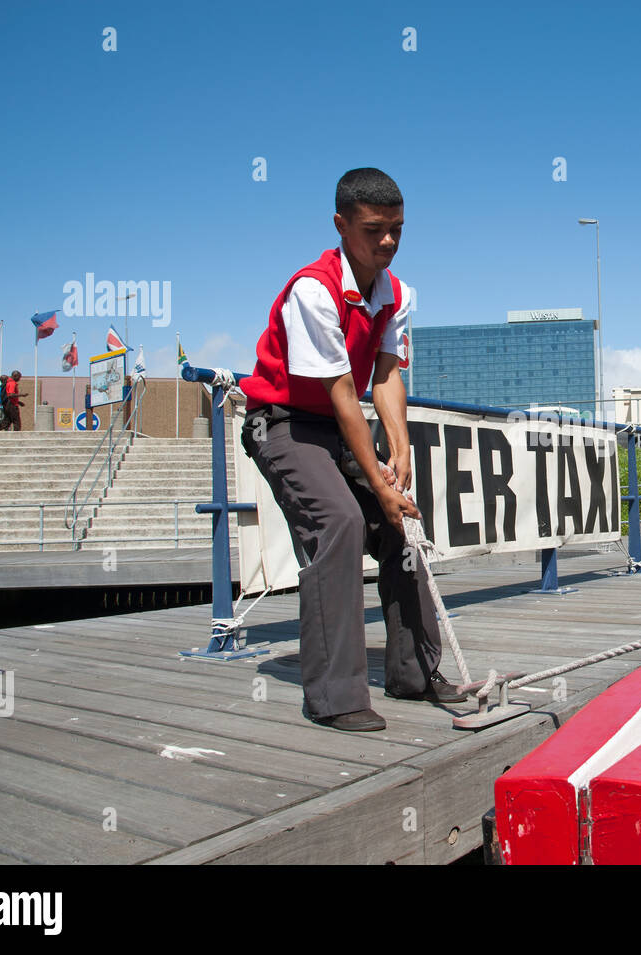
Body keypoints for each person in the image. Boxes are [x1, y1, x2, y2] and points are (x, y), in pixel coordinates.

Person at [240, 167, 465, 734]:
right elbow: (342, 392)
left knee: (402, 527)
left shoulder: (397, 293)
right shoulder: (312, 291)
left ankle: (415, 674)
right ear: (341, 225)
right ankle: (335, 697)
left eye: (397, 229)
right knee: (339, 523)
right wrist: (376, 480)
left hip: (334, 427)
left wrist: (401, 448)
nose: (387, 241)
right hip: (284, 422)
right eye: (373, 230)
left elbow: (386, 374)